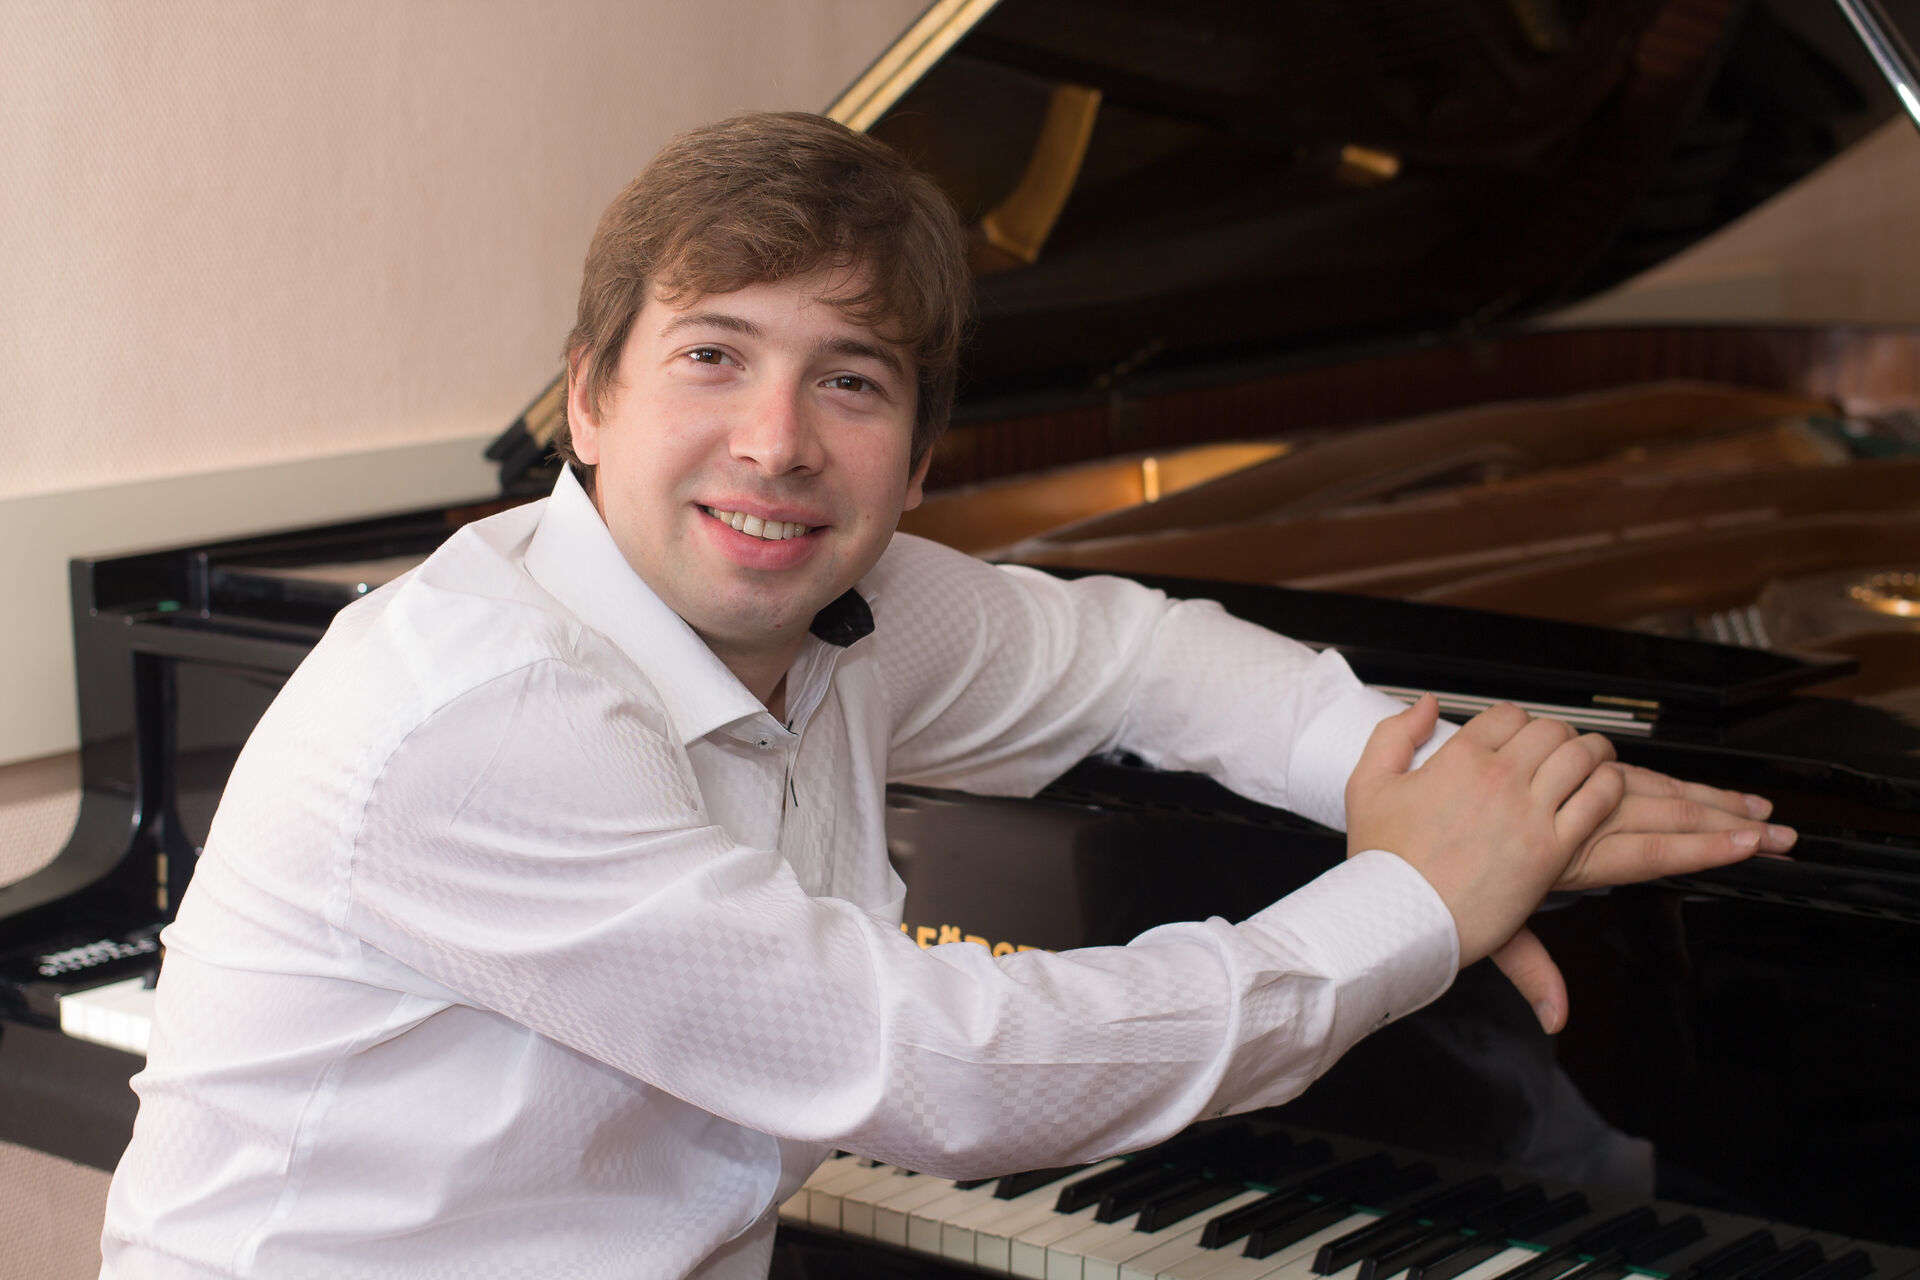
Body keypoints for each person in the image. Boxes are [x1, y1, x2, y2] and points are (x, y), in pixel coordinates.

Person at [99, 112, 1793, 1280]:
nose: (777, 443)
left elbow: (1136, 653)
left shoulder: (858, 603)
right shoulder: (483, 715)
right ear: (589, 403)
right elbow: (948, 1073)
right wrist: (1417, 900)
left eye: (850, 381)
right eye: (713, 355)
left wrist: (1405, 773)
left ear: (917, 463)